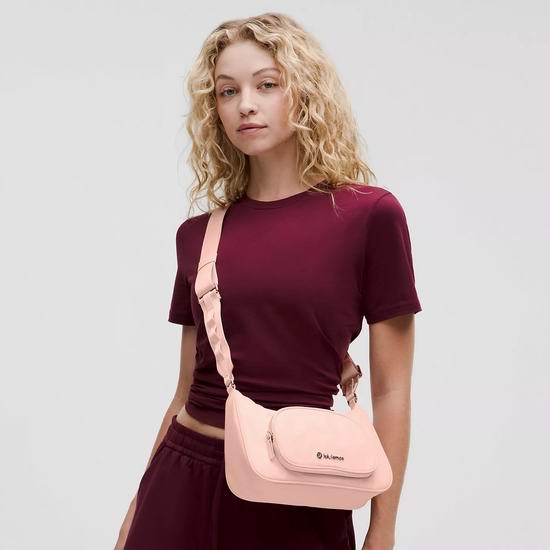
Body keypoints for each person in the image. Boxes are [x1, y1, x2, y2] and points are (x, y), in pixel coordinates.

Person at [116, 12, 422, 550]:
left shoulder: (369, 216)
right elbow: (185, 392)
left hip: (299, 489)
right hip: (182, 485)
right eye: (227, 91)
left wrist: (382, 530)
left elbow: (392, 391)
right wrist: (135, 515)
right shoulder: (197, 236)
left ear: (304, 93)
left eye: (267, 84)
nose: (245, 105)